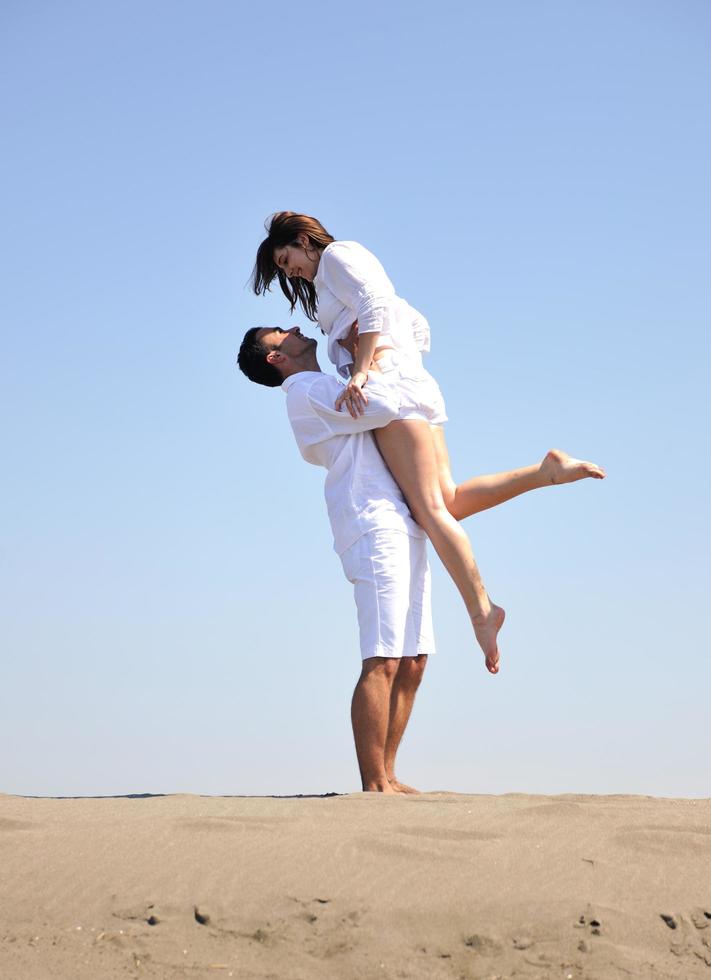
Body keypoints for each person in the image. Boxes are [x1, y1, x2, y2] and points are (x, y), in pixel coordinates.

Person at [251, 212, 605, 674]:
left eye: (286, 259)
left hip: (389, 387)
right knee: (448, 502)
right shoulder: (329, 284)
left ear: (302, 240)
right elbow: (413, 323)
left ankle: (482, 611)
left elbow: (378, 303)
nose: (289, 271)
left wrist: (364, 366)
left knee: (430, 512)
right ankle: (546, 471)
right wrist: (389, 351)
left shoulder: (339, 255)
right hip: (407, 381)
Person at [238, 324, 432, 794]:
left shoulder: (328, 383)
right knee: (383, 658)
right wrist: (374, 361)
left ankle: (388, 772)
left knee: (414, 659)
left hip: (401, 516)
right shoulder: (306, 389)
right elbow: (387, 405)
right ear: (274, 358)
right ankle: (373, 783)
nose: (297, 328)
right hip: (372, 522)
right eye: (281, 333)